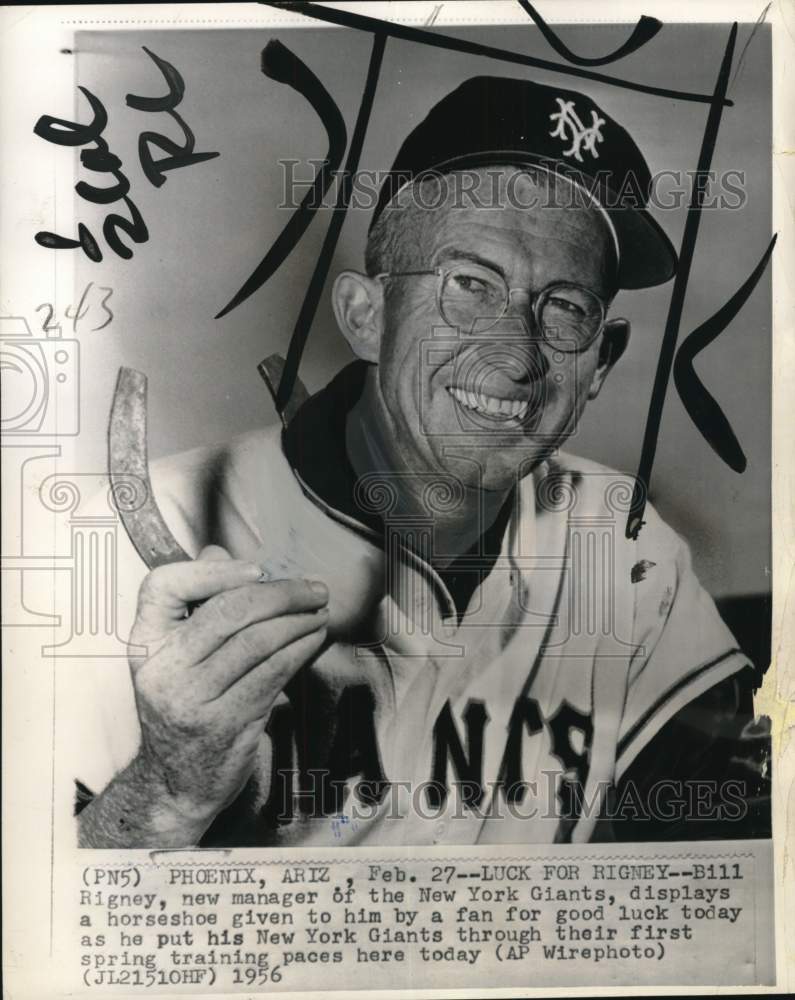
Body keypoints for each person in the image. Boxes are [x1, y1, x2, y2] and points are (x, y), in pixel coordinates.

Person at [76, 75, 769, 848]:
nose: (515, 357)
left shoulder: (623, 545)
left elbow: (734, 855)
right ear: (366, 317)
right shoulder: (140, 538)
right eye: (470, 286)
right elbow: (42, 933)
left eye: (565, 307)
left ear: (599, 363)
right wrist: (170, 788)